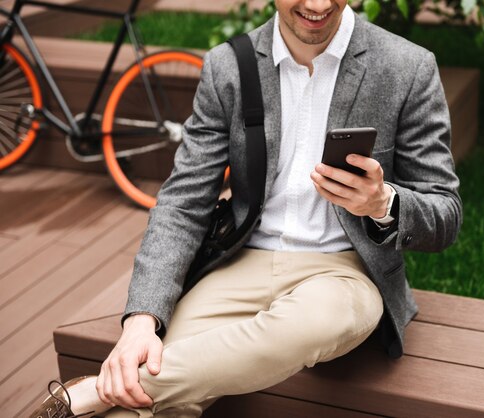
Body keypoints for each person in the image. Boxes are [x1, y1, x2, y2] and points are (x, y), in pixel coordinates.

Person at [30, 0, 461, 416]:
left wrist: (383, 202)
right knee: (152, 385)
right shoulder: (228, 66)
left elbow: (445, 215)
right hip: (242, 263)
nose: (317, 3)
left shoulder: (406, 66)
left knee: (319, 320)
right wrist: (141, 319)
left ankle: (89, 394)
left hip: (341, 273)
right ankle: (111, 396)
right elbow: (183, 201)